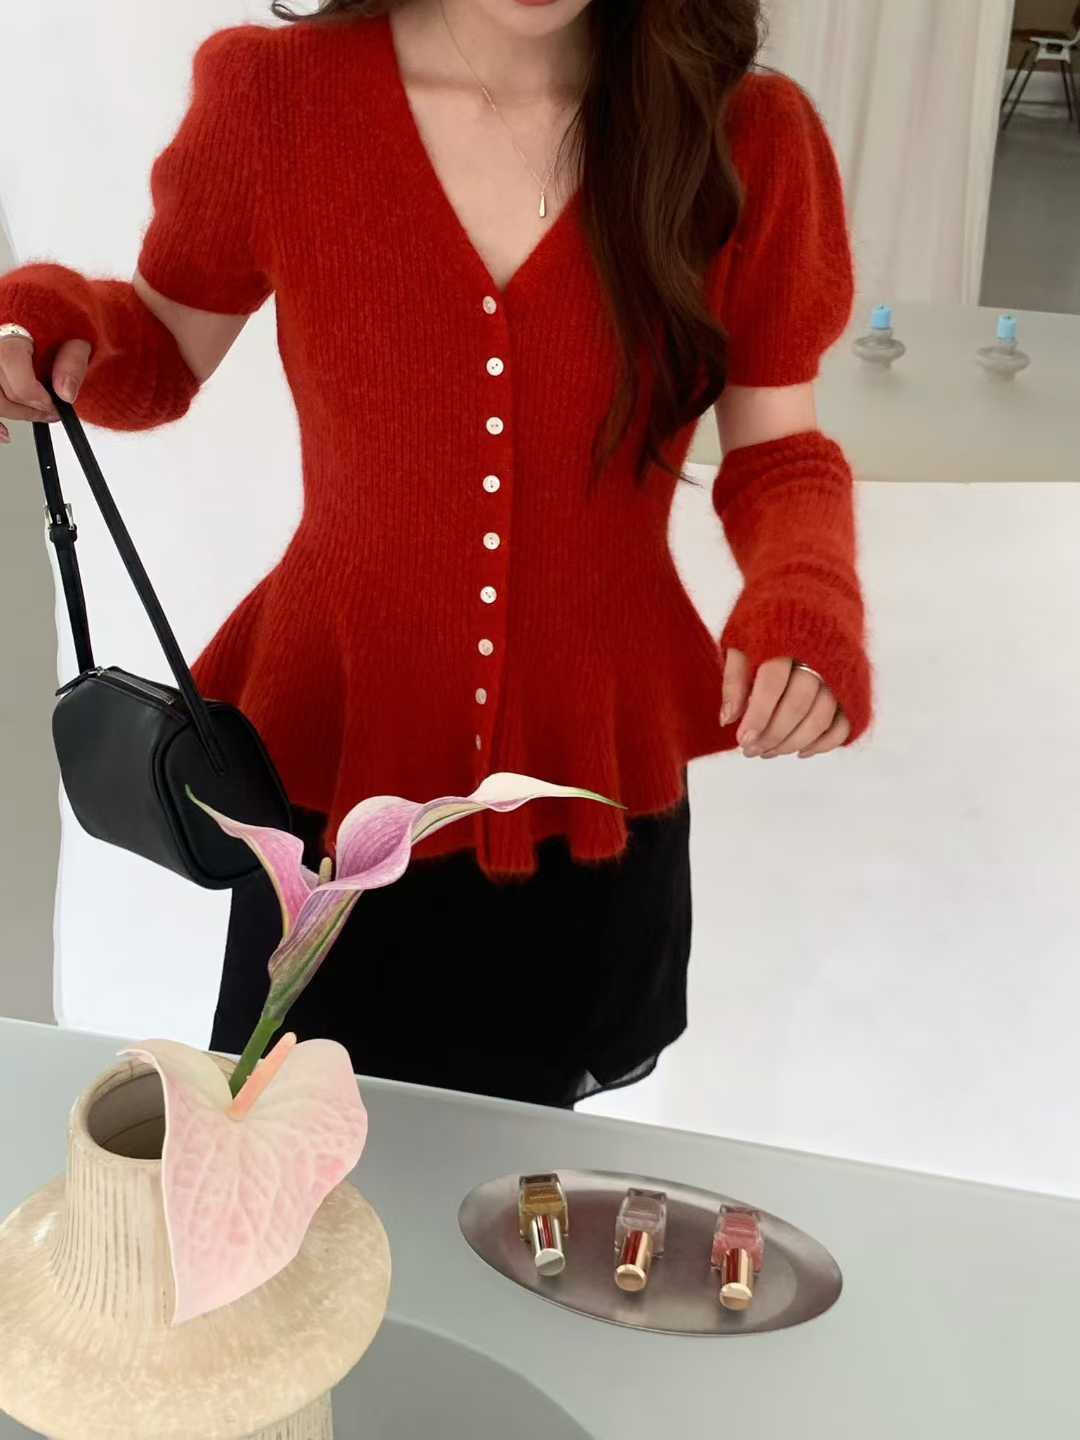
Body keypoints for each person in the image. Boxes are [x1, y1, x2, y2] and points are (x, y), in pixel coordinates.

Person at [0, 0, 871, 1109]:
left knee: (531, 1192)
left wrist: (806, 591)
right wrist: (57, 323)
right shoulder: (277, 99)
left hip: (587, 779)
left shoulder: (747, 136)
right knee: (288, 1158)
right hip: (336, 760)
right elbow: (161, 348)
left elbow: (780, 450)